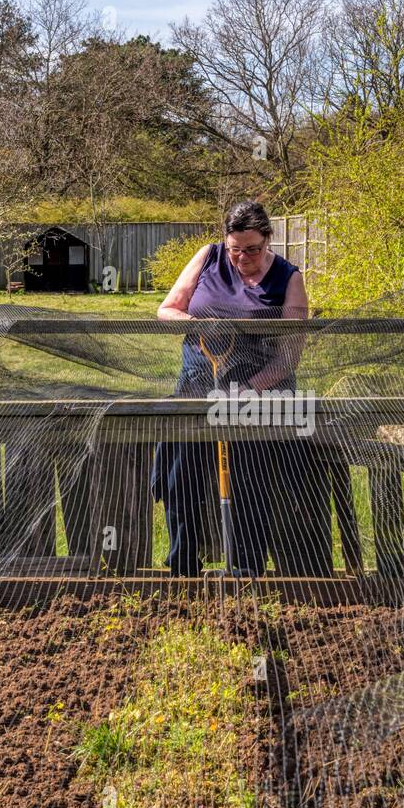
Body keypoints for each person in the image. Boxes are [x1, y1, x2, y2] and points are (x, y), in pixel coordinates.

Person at [152, 201, 309, 576]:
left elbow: (289, 357)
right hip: (196, 385)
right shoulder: (208, 257)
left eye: (252, 249)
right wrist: (198, 324)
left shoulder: (289, 278)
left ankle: (245, 568)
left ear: (268, 240)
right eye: (235, 249)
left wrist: (250, 390)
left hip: (255, 394)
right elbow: (167, 309)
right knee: (182, 476)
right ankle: (183, 566)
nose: (242, 258)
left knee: (249, 479)